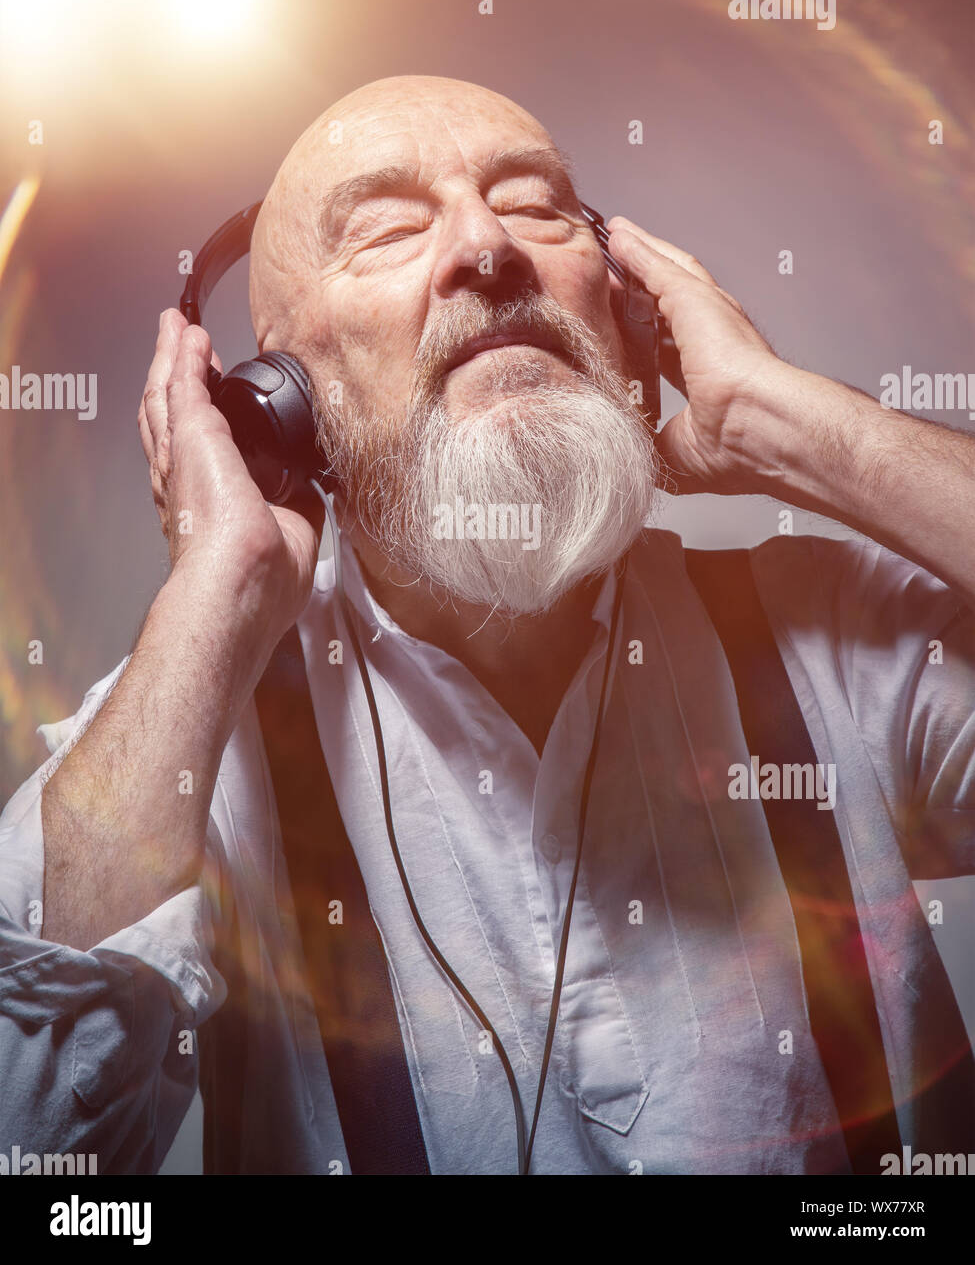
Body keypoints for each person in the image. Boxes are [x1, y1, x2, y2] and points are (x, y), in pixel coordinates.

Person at [0, 75, 972, 1176]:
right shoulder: (200, 733)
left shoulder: (841, 638)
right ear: (275, 399)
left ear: (629, 310)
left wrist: (790, 423)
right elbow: (28, 1139)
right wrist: (214, 592)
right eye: (388, 230)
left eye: (537, 205)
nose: (486, 246)